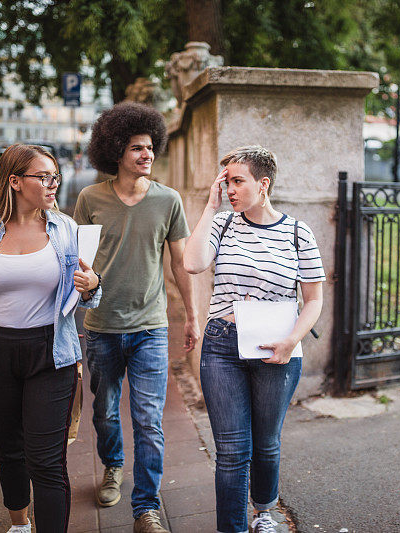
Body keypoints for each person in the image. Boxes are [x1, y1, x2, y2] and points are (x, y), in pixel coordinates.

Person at [0, 144, 101, 533]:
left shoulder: (66, 230)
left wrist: (93, 285)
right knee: (9, 450)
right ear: (14, 181)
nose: (52, 184)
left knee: (46, 459)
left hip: (51, 354)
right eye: (43, 177)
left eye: (54, 177)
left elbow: (89, 294)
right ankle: (19, 524)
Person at [183, 146, 325, 533]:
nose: (229, 189)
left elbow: (313, 300)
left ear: (263, 184)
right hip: (222, 345)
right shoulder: (222, 224)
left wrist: (291, 340)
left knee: (266, 443)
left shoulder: (298, 232)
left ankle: (265, 513)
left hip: (277, 349)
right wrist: (210, 207)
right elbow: (192, 263)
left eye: (237, 181)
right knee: (231, 450)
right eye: (225, 181)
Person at [73, 102, 199, 533]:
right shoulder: (90, 199)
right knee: (105, 412)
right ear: (115, 151)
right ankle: (113, 466)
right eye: (135, 148)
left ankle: (145, 507)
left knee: (149, 420)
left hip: (150, 327)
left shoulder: (168, 200)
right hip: (102, 327)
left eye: (149, 147)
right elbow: (79, 261)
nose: (146, 155)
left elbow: (180, 264)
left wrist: (194, 316)